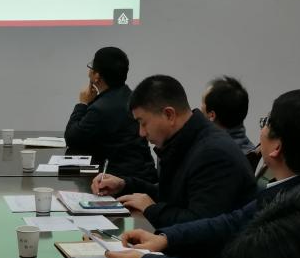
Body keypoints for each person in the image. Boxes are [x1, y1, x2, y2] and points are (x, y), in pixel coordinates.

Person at [105, 89, 300, 258]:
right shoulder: (299, 187)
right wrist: (166, 239)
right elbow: (233, 221)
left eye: (266, 122)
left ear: (277, 147)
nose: (262, 129)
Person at [90, 74, 256, 229]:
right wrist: (124, 185)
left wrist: (151, 209)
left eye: (143, 123)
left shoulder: (213, 153)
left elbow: (200, 226)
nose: (141, 133)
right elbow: (171, 195)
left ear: (169, 115)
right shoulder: (186, 141)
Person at [64, 47, 155, 182]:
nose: (89, 71)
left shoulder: (101, 109)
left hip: (122, 181)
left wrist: (82, 103)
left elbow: (72, 139)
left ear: (97, 76)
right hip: (144, 175)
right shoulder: (130, 96)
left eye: (91, 67)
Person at [200, 76, 255, 155]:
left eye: (203, 103)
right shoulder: (250, 151)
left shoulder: (210, 155)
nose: (200, 108)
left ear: (212, 115)